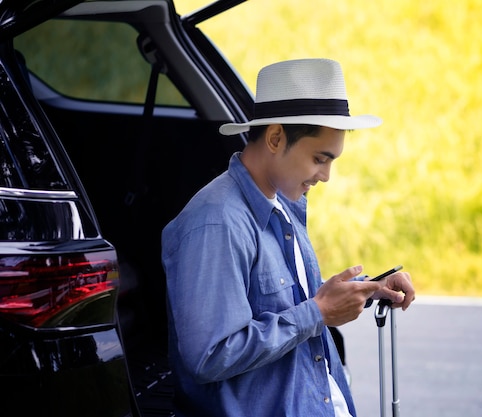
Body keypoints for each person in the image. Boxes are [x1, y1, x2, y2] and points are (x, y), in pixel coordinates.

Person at [161, 58, 415, 417]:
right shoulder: (216, 223)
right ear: (276, 137)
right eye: (319, 158)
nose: (325, 175)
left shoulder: (283, 203)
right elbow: (211, 356)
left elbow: (285, 303)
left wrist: (373, 287)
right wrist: (318, 313)